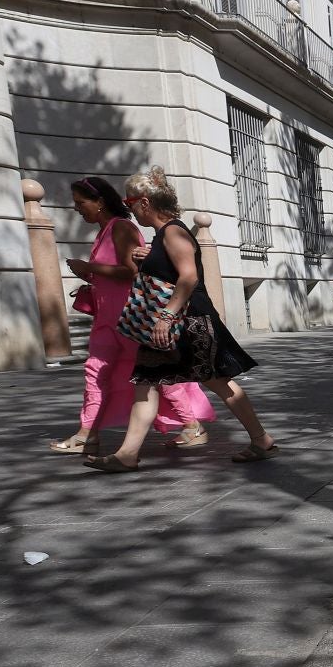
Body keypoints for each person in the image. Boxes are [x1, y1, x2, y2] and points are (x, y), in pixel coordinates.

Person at [84, 167, 277, 471]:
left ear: (145, 202)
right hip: (172, 326)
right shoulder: (163, 235)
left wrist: (165, 316)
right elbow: (172, 272)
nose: (129, 208)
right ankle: (127, 455)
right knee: (146, 382)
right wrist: (146, 259)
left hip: (189, 321)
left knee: (219, 382)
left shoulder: (173, 231)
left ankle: (261, 439)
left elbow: (188, 277)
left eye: (130, 201)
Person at [54, 176, 213, 454]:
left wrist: (88, 266)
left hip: (132, 315)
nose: (77, 209)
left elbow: (131, 270)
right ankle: (86, 434)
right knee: (94, 371)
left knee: (158, 371)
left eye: (81, 203)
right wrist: (91, 275)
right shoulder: (103, 231)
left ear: (100, 202)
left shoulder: (122, 227)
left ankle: (191, 424)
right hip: (107, 316)